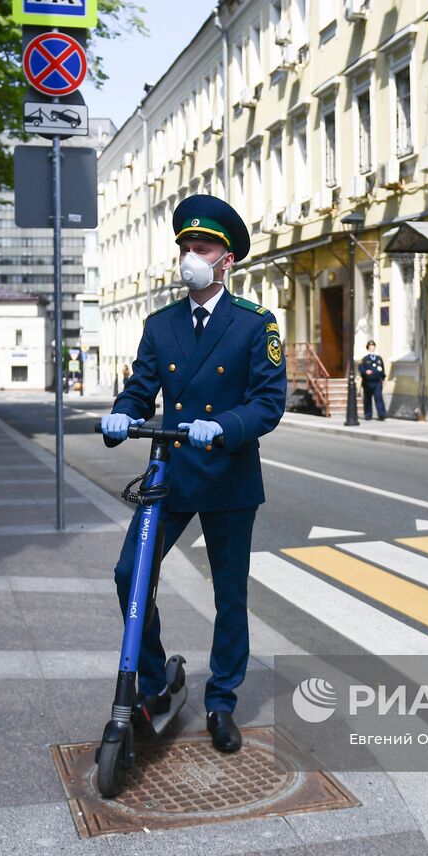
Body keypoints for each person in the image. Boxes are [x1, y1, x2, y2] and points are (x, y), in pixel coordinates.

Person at [100, 194, 286, 754]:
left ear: (226, 259)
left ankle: (223, 700)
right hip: (174, 473)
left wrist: (224, 426)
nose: (189, 255)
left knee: (229, 594)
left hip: (228, 475)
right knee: (130, 571)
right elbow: (141, 386)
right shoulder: (161, 325)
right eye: (184, 245)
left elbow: (268, 403)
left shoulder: (256, 323)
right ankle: (154, 681)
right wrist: (123, 411)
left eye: (201, 246)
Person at [358, 339, 387, 420]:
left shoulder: (378, 358)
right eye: (370, 346)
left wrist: (383, 378)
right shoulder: (365, 359)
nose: (372, 348)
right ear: (368, 348)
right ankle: (368, 415)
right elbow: (361, 369)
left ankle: (382, 415)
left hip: (377, 381)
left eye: (373, 346)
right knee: (367, 399)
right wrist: (365, 371)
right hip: (368, 382)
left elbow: (382, 369)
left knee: (379, 398)